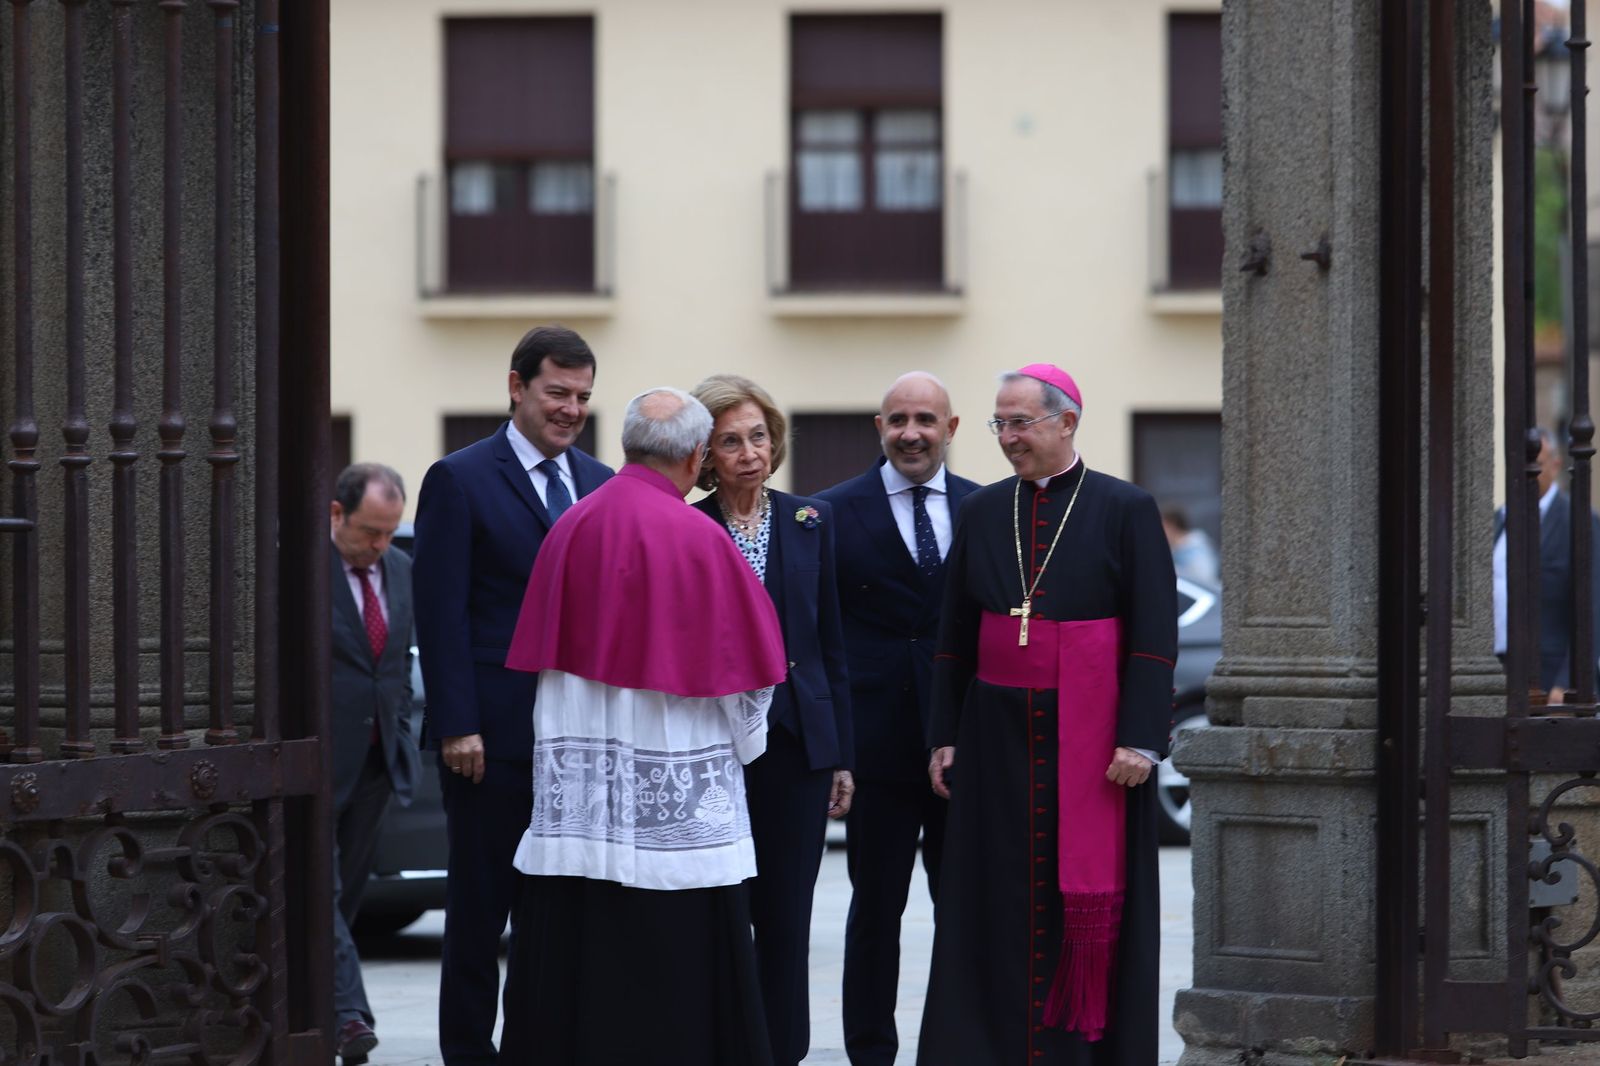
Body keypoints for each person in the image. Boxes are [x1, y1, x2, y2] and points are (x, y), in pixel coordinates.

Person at [497, 387, 787, 1064]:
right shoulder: (701, 536)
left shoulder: (570, 526)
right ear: (695, 456)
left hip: (582, 815)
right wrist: (749, 742)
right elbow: (749, 677)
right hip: (676, 807)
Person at [919, 364, 1176, 1065]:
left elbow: (1154, 636)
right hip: (993, 740)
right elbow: (954, 637)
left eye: (1021, 423)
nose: (1007, 437)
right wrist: (944, 737)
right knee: (991, 899)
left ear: (1066, 422)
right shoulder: (982, 510)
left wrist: (1140, 739)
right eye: (1000, 424)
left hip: (1093, 745)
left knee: (1080, 905)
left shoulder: (1124, 508)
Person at [413, 325, 614, 1064]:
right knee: (480, 909)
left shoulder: (601, 482)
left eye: (582, 397)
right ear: (516, 386)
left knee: (556, 913)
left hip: (581, 735)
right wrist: (457, 723)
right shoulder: (459, 478)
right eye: (557, 393)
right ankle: (469, 1052)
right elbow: (441, 614)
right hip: (491, 741)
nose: (570, 410)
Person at [690, 373, 855, 1066]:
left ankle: (783, 1052)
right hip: (712, 745)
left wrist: (840, 755)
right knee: (723, 915)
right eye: (730, 441)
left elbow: (831, 645)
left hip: (796, 747)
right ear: (705, 453)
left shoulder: (810, 520)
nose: (750, 452)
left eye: (758, 436)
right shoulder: (691, 525)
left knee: (788, 917)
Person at [815, 372, 978, 1066]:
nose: (912, 434)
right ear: (878, 428)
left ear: (951, 428)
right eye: (898, 420)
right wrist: (834, 748)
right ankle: (870, 1052)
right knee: (875, 912)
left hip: (961, 747)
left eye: (926, 420)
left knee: (963, 911)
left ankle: (959, 1046)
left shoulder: (984, 508)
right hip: (873, 749)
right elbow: (818, 637)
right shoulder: (827, 513)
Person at [329, 463, 420, 1065]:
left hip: (377, 760)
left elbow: (396, 665)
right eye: (370, 532)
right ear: (336, 514)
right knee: (322, 888)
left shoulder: (401, 569)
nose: (380, 545)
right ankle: (349, 1017)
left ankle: (317, 1003)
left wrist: (401, 732)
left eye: (389, 532)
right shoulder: (302, 568)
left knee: (346, 899)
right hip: (320, 759)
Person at [1492, 427, 1600, 703]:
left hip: (1550, 677)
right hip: (1497, 671)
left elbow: (1591, 608)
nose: (1527, 472)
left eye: (1536, 464)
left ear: (1555, 464)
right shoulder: (1499, 519)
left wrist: (1568, 681)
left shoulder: (1578, 520)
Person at [1160, 505, 1219, 586]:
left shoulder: (1195, 548)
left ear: (1172, 525)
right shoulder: (1176, 550)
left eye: (1162, 526)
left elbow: (1204, 579)